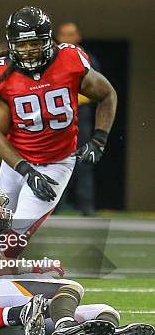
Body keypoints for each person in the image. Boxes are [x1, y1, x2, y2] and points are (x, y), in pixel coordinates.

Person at [0, 6, 118, 258]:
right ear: (11, 45)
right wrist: (25, 169)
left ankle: (1, 289)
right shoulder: (1, 74)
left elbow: (107, 93)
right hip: (16, 162)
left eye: (34, 43)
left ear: (48, 40)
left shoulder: (69, 61)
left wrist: (99, 138)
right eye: (21, 45)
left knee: (14, 240)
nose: (27, 51)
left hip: (56, 163)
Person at [0, 178, 154, 335]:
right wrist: (34, 267)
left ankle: (97, 334)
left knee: (105, 312)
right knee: (70, 288)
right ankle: (65, 325)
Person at [55, 22, 101, 216]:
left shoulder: (86, 59)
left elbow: (98, 87)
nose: (68, 39)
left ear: (78, 37)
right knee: (56, 161)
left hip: (80, 114)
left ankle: (86, 205)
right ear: (58, 37)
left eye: (71, 34)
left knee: (83, 159)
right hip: (56, 116)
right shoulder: (52, 59)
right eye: (64, 35)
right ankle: (56, 205)